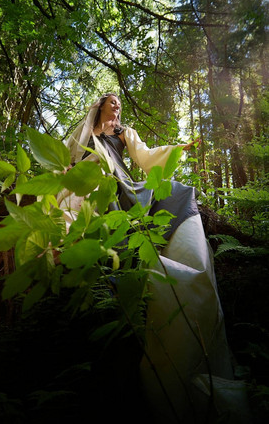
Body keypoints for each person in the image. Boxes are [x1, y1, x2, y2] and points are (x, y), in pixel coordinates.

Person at [59, 93, 251, 423]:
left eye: (120, 103)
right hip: (91, 183)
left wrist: (178, 149)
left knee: (176, 193)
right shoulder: (86, 132)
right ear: (100, 105)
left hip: (120, 183)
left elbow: (146, 158)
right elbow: (70, 158)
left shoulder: (123, 134)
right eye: (113, 102)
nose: (117, 107)